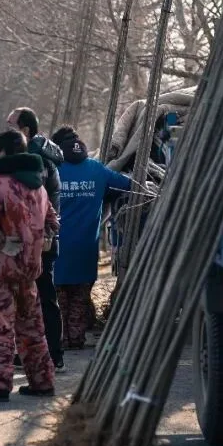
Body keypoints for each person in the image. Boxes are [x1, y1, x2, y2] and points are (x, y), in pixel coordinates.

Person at [0, 129, 58, 402]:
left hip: (1, 270)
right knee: (32, 328)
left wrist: (0, 243)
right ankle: (42, 381)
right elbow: (53, 221)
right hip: (29, 271)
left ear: (2, 153)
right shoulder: (38, 186)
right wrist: (43, 241)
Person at [50, 126, 132, 349]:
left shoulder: (51, 170)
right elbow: (129, 185)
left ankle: (59, 339)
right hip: (86, 249)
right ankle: (76, 338)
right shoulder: (97, 170)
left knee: (57, 298)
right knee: (79, 296)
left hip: (54, 248)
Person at [7, 107, 65, 371]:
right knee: (30, 299)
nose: (7, 132)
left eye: (11, 127)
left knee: (43, 297)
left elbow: (35, 204)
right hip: (36, 239)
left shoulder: (35, 161)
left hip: (40, 241)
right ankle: (31, 352)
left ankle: (53, 354)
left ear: (25, 131)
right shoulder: (34, 157)